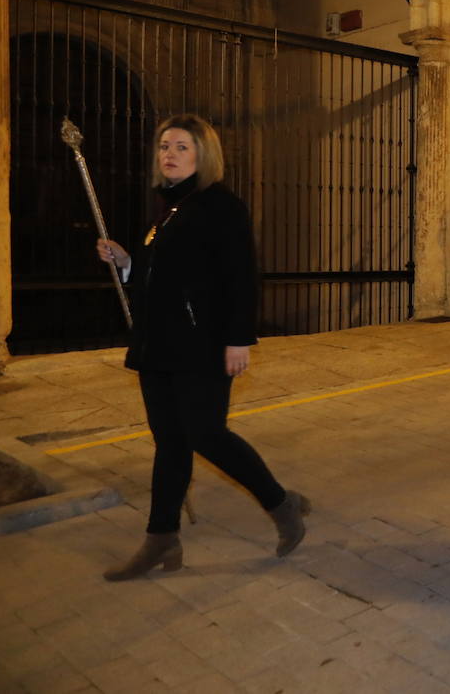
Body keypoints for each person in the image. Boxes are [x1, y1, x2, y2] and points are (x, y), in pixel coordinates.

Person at [95, 114, 308, 582]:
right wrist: (128, 262)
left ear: (203, 156)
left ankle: (282, 504)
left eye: (182, 147)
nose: (169, 154)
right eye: (165, 146)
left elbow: (239, 276)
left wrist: (238, 339)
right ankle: (161, 538)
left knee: (206, 435)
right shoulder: (168, 209)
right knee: (170, 443)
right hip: (159, 347)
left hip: (203, 345)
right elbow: (164, 278)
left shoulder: (219, 206)